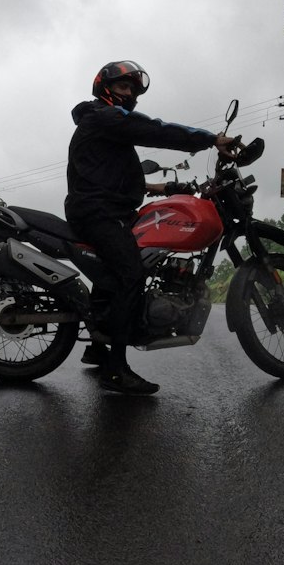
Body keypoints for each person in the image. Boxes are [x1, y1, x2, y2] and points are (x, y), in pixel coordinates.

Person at [65, 60, 239, 395]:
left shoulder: (104, 125)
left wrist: (162, 189)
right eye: (123, 87)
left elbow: (109, 175)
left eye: (132, 90)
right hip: (97, 213)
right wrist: (210, 139)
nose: (129, 94)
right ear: (105, 88)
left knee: (117, 272)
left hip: (105, 208)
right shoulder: (104, 117)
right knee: (131, 274)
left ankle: (98, 347)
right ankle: (115, 370)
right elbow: (155, 130)